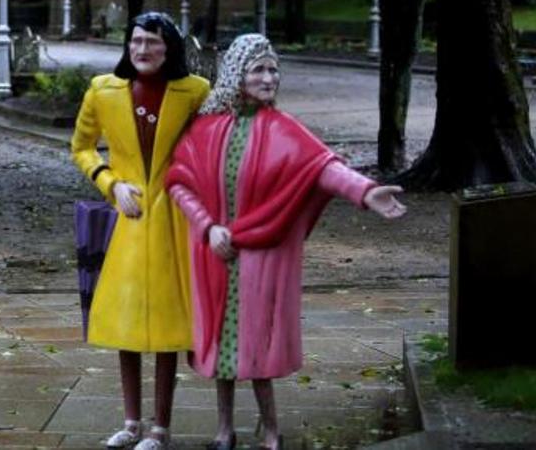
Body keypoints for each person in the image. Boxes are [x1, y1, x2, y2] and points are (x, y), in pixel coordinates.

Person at [165, 34, 406, 450]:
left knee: (259, 345)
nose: (268, 77)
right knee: (222, 349)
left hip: (263, 253)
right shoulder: (205, 130)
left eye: (273, 68)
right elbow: (179, 183)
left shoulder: (284, 130)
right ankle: (224, 430)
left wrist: (366, 192)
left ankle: (271, 430)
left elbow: (324, 169)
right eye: (258, 69)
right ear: (237, 74)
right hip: (215, 252)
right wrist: (208, 227)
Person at [70, 12, 211, 450]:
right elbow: (81, 147)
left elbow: (207, 145)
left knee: (168, 324)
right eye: (136, 41)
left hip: (174, 217)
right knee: (126, 322)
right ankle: (131, 422)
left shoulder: (195, 92)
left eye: (153, 42)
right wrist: (111, 183)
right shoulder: (103, 90)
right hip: (127, 220)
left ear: (169, 48)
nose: (143, 50)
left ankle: (161, 428)